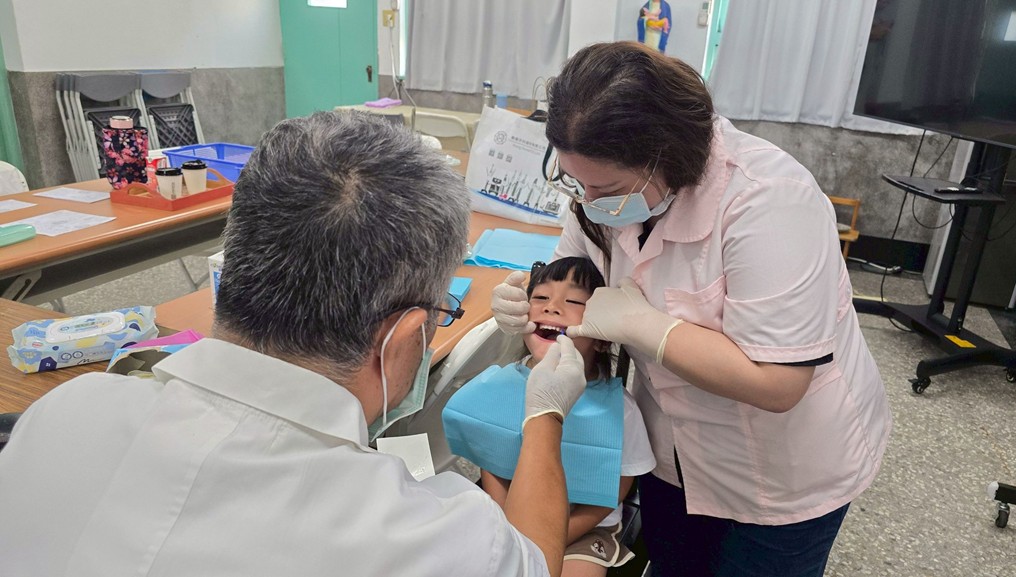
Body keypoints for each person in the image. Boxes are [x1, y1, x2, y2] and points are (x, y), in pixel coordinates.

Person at [0, 111, 589, 577]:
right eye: (440, 316)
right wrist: (544, 411)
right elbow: (533, 561)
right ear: (404, 336)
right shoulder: (426, 539)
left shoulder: (65, 410)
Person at [491, 42, 893, 577]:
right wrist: (534, 301)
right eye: (575, 182)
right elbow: (577, 281)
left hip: (780, 469)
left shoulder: (770, 200)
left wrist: (647, 327)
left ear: (669, 156)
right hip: (671, 450)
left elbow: (778, 383)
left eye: (603, 187)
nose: (587, 200)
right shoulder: (602, 196)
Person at [445, 257, 656, 577]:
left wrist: (552, 538)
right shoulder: (500, 388)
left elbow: (614, 491)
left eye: (573, 302)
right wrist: (510, 532)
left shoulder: (619, 410)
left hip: (584, 531)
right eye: (540, 297)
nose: (552, 307)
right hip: (510, 522)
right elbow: (493, 463)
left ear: (602, 336)